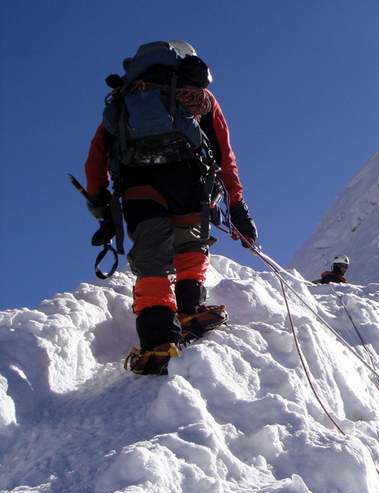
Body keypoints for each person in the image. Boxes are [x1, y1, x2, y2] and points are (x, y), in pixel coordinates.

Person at [84, 41, 258, 375]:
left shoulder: (123, 100)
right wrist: (237, 207)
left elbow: (97, 156)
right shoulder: (196, 97)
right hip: (188, 181)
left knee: (152, 259)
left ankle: (158, 341)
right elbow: (224, 155)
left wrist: (101, 207)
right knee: (191, 244)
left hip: (137, 185)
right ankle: (189, 311)